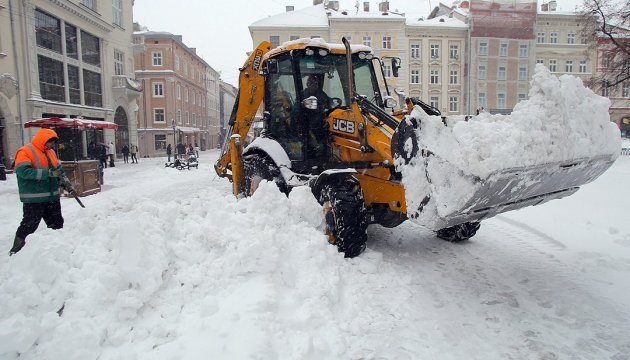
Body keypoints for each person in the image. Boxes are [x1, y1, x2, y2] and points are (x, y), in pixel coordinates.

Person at [9, 128, 75, 256]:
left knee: (57, 223)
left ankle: (58, 249)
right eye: (51, 142)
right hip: (34, 198)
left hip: (52, 197)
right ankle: (16, 250)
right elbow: (23, 172)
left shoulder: (51, 153)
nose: (52, 145)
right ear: (43, 140)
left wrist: (67, 185)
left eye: (54, 143)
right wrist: (47, 173)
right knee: (29, 224)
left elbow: (59, 172)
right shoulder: (25, 151)